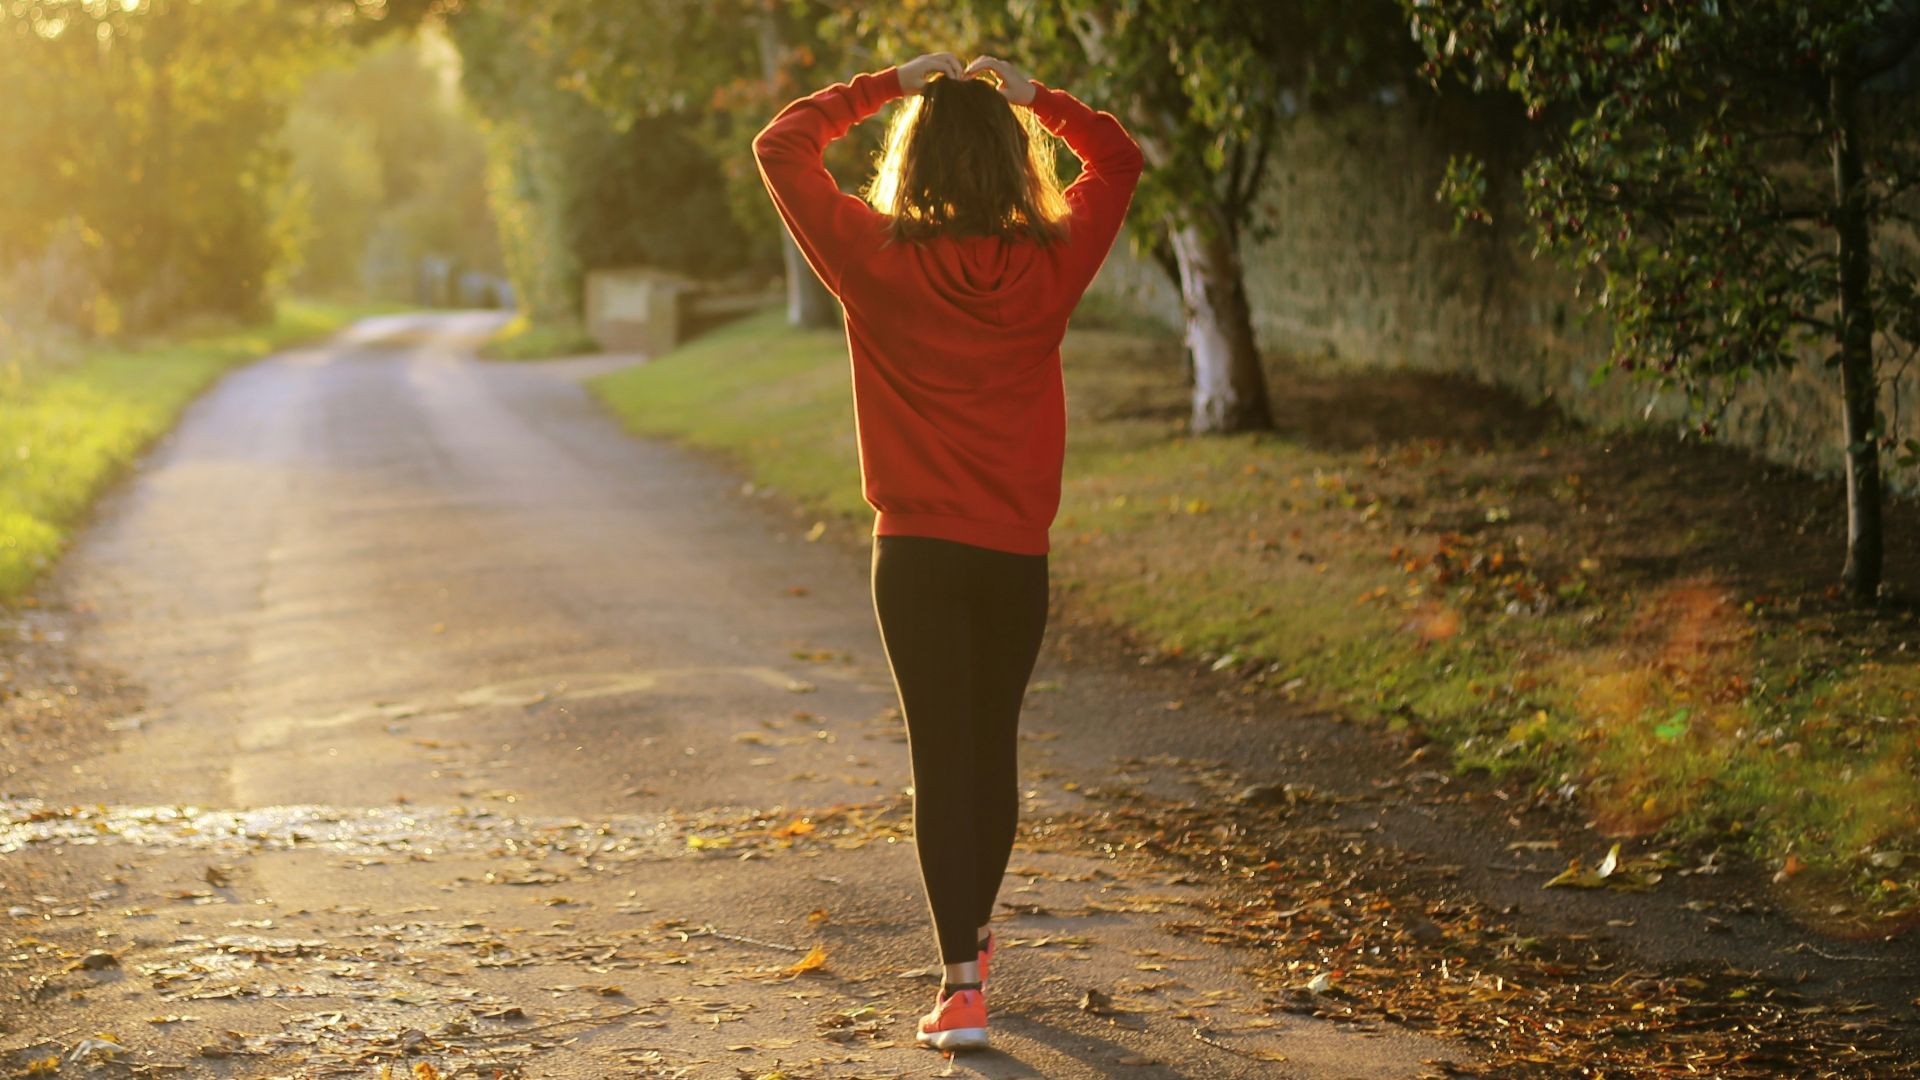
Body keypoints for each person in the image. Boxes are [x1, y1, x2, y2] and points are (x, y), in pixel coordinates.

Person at [752, 51, 1143, 1052]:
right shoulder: (1052, 259)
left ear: (913, 161)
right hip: (1014, 554)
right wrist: (1039, 100)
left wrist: (886, 84)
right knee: (991, 747)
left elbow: (781, 145)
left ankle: (961, 984)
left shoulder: (872, 256)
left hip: (916, 554)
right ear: (1013, 165)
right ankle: (968, 950)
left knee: (941, 754)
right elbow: (1120, 156)